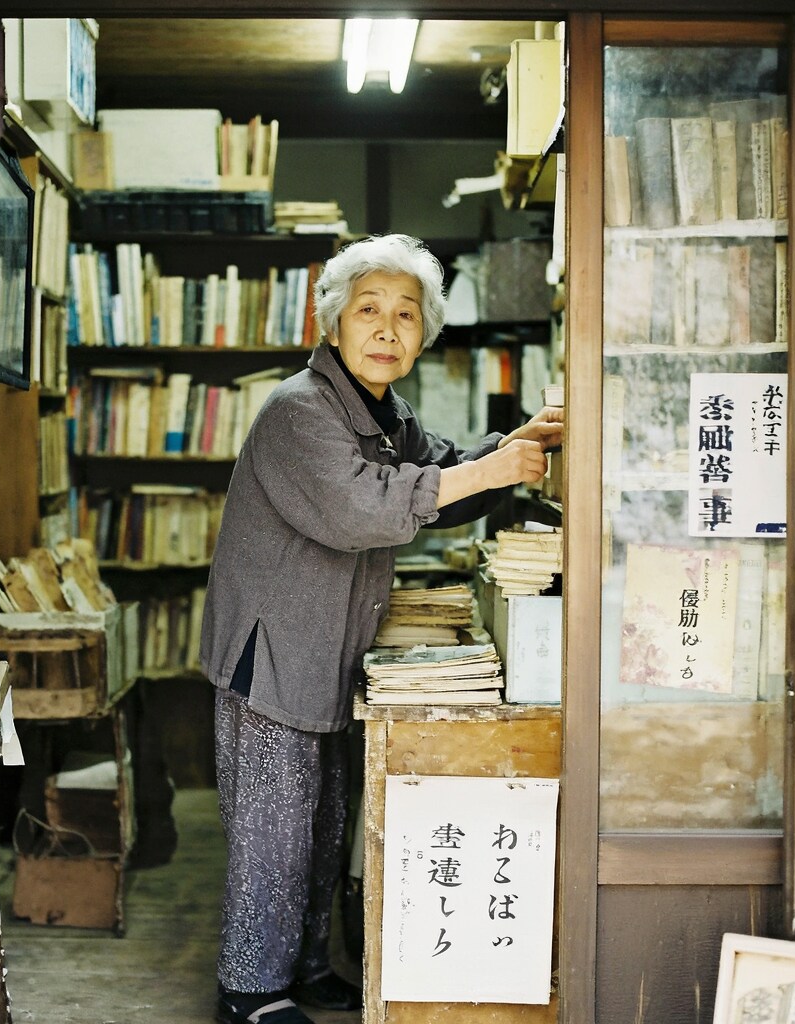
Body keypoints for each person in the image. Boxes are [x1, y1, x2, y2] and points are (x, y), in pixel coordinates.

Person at [200, 233, 564, 1024]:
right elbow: (365, 507)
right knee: (274, 830)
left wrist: (522, 441)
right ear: (333, 324)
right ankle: (250, 991)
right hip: (273, 657)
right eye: (369, 310)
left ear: (424, 334)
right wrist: (494, 468)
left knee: (325, 822)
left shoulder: (385, 413)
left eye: (407, 314)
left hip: (329, 652)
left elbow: (450, 481)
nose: (388, 328)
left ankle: (301, 966)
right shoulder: (300, 410)